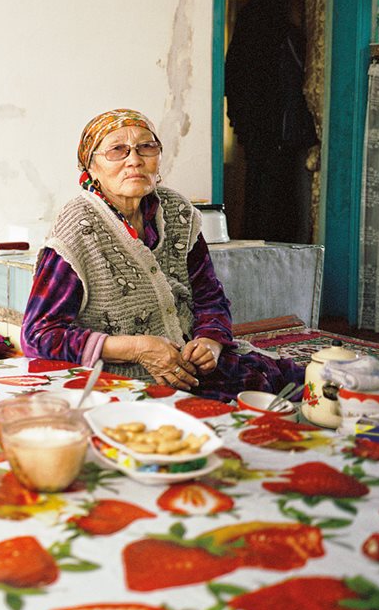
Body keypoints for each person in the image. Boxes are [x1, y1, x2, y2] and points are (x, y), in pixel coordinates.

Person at [20, 108, 303, 402]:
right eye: (117, 150)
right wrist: (137, 348)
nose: (135, 160)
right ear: (91, 168)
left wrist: (210, 341)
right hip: (119, 379)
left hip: (191, 366)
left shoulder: (177, 212)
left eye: (146, 147)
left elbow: (210, 297)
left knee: (293, 385)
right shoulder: (77, 228)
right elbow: (38, 336)